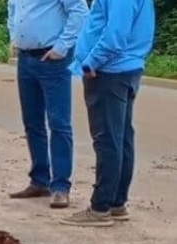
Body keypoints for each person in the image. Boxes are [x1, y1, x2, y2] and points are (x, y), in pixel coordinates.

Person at [61, 0, 156, 227]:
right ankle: (116, 202)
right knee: (121, 137)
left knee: (108, 140)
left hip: (108, 72)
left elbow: (116, 34)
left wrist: (90, 63)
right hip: (124, 68)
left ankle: (100, 207)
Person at [7, 0, 88, 209]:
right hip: (26, 59)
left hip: (53, 59)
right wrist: (14, 36)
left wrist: (62, 46)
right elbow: (12, 9)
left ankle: (60, 186)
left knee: (58, 123)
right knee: (32, 121)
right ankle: (39, 180)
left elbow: (79, 12)